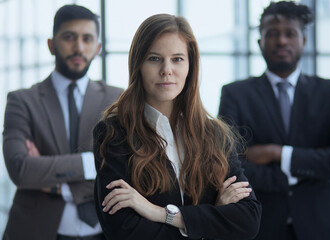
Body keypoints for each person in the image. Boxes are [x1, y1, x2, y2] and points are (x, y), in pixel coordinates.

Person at [93, 13, 261, 240]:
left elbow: (248, 220)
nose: (166, 70)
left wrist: (160, 213)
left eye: (177, 59)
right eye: (154, 58)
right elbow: (125, 231)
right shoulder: (114, 133)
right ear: (138, 65)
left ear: (190, 66)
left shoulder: (214, 135)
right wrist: (213, 216)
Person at [218, 1, 330, 240]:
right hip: (260, 227)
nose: (281, 41)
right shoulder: (235, 94)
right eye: (272, 34)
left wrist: (279, 154)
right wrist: (299, 172)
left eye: (290, 33)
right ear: (259, 42)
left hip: (324, 227)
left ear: (303, 40)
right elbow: (228, 166)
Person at [2, 4, 123, 240]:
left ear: (97, 48)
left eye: (87, 39)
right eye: (69, 37)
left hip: (106, 231)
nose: (79, 47)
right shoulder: (21, 101)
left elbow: (127, 171)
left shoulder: (117, 100)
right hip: (37, 230)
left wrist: (55, 184)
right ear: (51, 44)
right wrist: (93, 163)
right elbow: (21, 169)